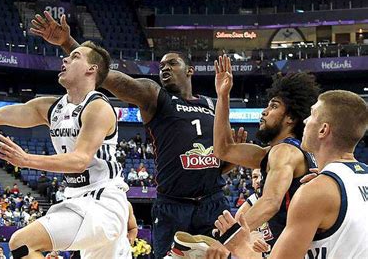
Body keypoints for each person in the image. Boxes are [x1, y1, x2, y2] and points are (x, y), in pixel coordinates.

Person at [31, 13, 246, 257]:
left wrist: (231, 158)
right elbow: (110, 78)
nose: (165, 68)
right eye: (162, 65)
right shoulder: (155, 97)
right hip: (173, 204)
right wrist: (69, 44)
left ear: (190, 70)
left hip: (212, 201)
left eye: (172, 63)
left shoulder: (211, 103)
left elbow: (219, 165)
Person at [0, 41, 130, 258]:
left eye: (75, 56)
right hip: (78, 198)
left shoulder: (98, 107)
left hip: (103, 203)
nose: (65, 59)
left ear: (92, 69)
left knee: (21, 243)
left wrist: (25, 160)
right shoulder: (51, 108)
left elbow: (79, 160)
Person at [171, 56, 320, 256]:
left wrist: (227, 238)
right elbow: (223, 150)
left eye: (273, 106)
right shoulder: (275, 153)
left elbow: (270, 202)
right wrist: (222, 96)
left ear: (291, 118)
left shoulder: (285, 152)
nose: (264, 112)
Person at [205, 90, 368, 259]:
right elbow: (223, 150)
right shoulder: (353, 178)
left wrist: (237, 244)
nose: (305, 121)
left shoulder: (317, 188)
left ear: (323, 130)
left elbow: (270, 202)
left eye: (311, 115)